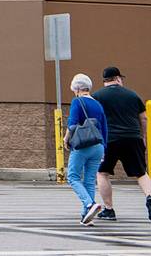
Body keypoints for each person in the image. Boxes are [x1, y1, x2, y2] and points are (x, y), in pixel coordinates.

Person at [92, 66, 151, 223]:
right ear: (117, 79)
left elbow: (94, 120)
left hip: (110, 140)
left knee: (102, 173)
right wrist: (142, 137)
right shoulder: (132, 95)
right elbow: (144, 118)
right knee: (141, 172)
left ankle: (109, 210)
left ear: (105, 81)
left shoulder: (97, 96)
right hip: (132, 138)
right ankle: (149, 197)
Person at [63, 74, 107, 225]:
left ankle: (89, 204)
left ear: (76, 88)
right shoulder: (98, 104)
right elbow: (105, 128)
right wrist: (104, 149)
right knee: (89, 180)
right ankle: (86, 216)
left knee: (73, 177)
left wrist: (66, 138)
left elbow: (72, 124)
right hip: (99, 146)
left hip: (83, 145)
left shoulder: (77, 101)